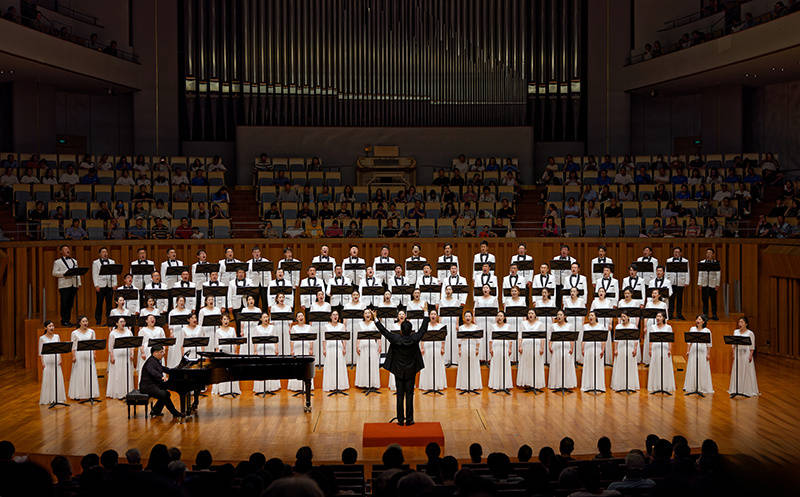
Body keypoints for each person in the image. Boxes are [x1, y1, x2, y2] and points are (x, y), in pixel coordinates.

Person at [373, 309, 430, 425]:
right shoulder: (414, 339)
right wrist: (425, 313)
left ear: (401, 330)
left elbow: (383, 331)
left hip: (398, 371)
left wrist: (376, 319)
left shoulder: (395, 338)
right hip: (411, 371)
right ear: (411, 331)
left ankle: (400, 420)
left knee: (399, 396)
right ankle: (409, 420)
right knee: (409, 396)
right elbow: (423, 329)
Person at [138, 345, 183, 419]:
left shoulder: (155, 360)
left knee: (166, 394)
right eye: (161, 352)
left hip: (154, 384)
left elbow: (163, 368)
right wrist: (161, 377)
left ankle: (155, 411)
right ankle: (174, 412)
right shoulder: (150, 362)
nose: (164, 353)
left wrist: (174, 371)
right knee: (165, 394)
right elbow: (152, 372)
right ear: (155, 353)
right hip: (147, 387)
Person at [68, 316, 99, 400]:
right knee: (79, 373)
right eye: (83, 321)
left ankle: (90, 393)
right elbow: (73, 346)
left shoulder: (92, 331)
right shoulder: (74, 333)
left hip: (89, 354)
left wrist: (94, 353)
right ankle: (78, 394)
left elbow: (94, 344)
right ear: (79, 323)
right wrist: (73, 356)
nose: (85, 323)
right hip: (79, 355)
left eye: (86, 321)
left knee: (90, 372)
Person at [728, 316, 759, 396]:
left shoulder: (750, 333)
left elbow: (752, 346)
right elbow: (733, 344)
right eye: (739, 322)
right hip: (738, 353)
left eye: (742, 322)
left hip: (746, 353)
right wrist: (733, 353)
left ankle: (746, 390)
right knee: (737, 371)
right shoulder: (736, 332)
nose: (740, 324)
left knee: (746, 371)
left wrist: (750, 355)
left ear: (746, 324)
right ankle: (737, 389)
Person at [683, 314, 714, 395]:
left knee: (702, 368)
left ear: (703, 322)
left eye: (700, 319)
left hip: (702, 350)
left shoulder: (707, 331)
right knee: (692, 367)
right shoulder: (692, 329)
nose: (698, 320)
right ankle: (692, 386)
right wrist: (688, 351)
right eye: (697, 319)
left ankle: (702, 387)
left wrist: (708, 354)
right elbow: (689, 342)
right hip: (693, 349)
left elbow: (709, 344)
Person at [52, 245, 81, 327]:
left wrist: (78, 283)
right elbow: (54, 273)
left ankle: (68, 320)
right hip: (64, 285)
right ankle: (64, 320)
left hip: (73, 284)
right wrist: (64, 273)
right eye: (65, 249)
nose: (67, 250)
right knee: (64, 303)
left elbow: (77, 272)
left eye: (68, 249)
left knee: (70, 304)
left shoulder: (74, 261)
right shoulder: (57, 262)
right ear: (61, 252)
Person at [252, 313, 281, 395]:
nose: (266, 318)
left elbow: (275, 339)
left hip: (270, 348)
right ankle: (261, 387)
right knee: (261, 367)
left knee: (270, 367)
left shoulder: (272, 327)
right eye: (264, 317)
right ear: (260, 319)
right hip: (260, 349)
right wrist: (255, 351)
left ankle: (271, 387)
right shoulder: (257, 328)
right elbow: (255, 340)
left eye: (267, 317)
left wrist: (276, 349)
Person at [212, 315, 240, 396]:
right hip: (222, 353)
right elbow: (216, 345)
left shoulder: (232, 329)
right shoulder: (218, 331)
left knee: (232, 371)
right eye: (224, 319)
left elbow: (235, 342)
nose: (226, 321)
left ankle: (232, 389)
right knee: (223, 371)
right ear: (221, 320)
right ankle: (223, 389)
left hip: (231, 352)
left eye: (227, 319)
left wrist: (236, 353)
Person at [419, 310, 447, 392]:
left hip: (438, 348)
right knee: (427, 365)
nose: (433, 315)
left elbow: (443, 338)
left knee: (438, 365)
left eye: (435, 314)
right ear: (429, 316)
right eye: (431, 314)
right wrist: (422, 347)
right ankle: (427, 385)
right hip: (427, 348)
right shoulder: (425, 326)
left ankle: (437, 384)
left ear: (437, 316)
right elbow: (422, 337)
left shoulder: (441, 326)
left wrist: (442, 347)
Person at [610, 313, 640, 392]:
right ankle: (620, 385)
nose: (622, 318)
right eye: (621, 316)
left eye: (624, 316)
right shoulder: (618, 326)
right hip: (621, 348)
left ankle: (629, 384)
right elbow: (615, 340)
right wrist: (615, 349)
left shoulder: (633, 326)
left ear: (628, 317)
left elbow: (636, 339)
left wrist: (635, 349)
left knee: (630, 366)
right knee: (620, 365)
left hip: (630, 348)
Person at [39, 321, 67, 405]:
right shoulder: (42, 338)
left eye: (53, 326)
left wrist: (60, 358)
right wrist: (42, 362)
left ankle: (57, 398)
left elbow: (59, 349)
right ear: (45, 328)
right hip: (47, 360)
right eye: (49, 326)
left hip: (56, 360)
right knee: (48, 379)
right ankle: (48, 398)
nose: (52, 327)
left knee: (57, 378)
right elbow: (41, 352)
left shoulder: (57, 336)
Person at [517, 309, 546, 390]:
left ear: (535, 315)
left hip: (536, 346)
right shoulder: (523, 323)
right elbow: (520, 336)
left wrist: (542, 347)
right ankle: (527, 383)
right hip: (525, 346)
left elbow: (542, 337)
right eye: (529, 313)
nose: (530, 314)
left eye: (532, 313)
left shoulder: (540, 324)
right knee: (526, 364)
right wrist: (520, 346)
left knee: (536, 364)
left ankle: (535, 383)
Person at [548, 310, 577, 391]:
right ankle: (557, 384)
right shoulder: (553, 326)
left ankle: (566, 384)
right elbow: (550, 338)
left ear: (565, 316)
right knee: (556, 365)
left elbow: (572, 339)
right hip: (556, 347)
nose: (559, 316)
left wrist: (572, 348)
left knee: (566, 365)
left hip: (566, 347)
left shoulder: (569, 326)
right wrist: (550, 346)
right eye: (557, 315)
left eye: (561, 314)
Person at [106, 317, 134, 399]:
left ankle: (127, 392)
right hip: (117, 355)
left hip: (127, 355)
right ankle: (118, 393)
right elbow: (110, 347)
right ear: (117, 323)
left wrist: (132, 353)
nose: (123, 323)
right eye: (121, 321)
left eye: (124, 321)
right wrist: (112, 356)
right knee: (118, 373)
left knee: (127, 373)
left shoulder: (129, 332)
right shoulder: (112, 333)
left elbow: (132, 344)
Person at [647, 312, 675, 393]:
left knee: (665, 366)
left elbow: (670, 340)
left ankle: (665, 385)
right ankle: (656, 386)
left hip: (665, 348)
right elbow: (651, 339)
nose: (658, 318)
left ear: (663, 318)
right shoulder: (652, 327)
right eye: (657, 316)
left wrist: (670, 349)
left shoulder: (668, 327)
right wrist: (650, 349)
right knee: (656, 366)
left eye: (659, 316)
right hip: (655, 348)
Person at [322, 311, 349, 392]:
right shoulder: (326, 326)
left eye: (337, 315)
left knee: (339, 365)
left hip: (339, 347)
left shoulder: (342, 326)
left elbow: (344, 339)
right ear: (330, 317)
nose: (335, 316)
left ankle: (340, 385)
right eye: (333, 315)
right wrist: (324, 349)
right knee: (330, 365)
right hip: (329, 347)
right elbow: (324, 339)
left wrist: (344, 348)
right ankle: (330, 385)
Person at [354, 309, 381, 390]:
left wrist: (379, 345)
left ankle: (373, 383)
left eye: (369, 313)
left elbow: (378, 336)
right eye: (365, 313)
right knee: (364, 363)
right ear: (363, 315)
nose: (367, 314)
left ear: (371, 315)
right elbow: (358, 336)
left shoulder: (374, 323)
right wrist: (357, 346)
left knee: (372, 363)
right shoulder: (360, 324)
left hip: (372, 345)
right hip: (363, 345)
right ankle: (363, 383)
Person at [487, 311, 514, 392]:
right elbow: (490, 339)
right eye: (498, 316)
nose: (499, 317)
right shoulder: (493, 326)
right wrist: (490, 348)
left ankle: (505, 385)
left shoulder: (508, 326)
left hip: (505, 347)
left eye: (501, 316)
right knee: (496, 365)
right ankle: (496, 384)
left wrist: (510, 348)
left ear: (504, 317)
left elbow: (510, 339)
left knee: (505, 365)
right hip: (495, 347)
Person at [288, 312, 314, 392]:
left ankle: (307, 385)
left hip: (306, 348)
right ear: (296, 318)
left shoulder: (309, 327)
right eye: (299, 316)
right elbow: (291, 340)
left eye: (302, 315)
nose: (300, 317)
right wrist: (292, 350)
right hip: (297, 348)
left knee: (307, 366)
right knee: (297, 366)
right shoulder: (294, 328)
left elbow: (311, 340)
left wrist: (311, 349)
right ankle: (297, 386)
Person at [580, 312, 607, 393]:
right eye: (589, 316)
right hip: (588, 348)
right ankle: (587, 385)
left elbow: (603, 339)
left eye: (592, 315)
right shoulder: (585, 327)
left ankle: (598, 385)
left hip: (598, 348)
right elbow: (583, 339)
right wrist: (582, 349)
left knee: (598, 366)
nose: (590, 317)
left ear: (596, 317)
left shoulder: (601, 326)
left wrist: (603, 349)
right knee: (588, 366)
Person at [137, 314, 165, 387]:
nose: (152, 319)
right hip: (147, 351)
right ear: (146, 321)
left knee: (158, 367)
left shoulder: (160, 329)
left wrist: (163, 350)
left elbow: (163, 340)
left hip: (159, 351)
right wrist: (142, 353)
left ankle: (160, 385)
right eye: (150, 318)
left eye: (153, 318)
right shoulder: (142, 330)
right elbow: (140, 343)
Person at [91, 247, 117, 326]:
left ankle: (108, 321)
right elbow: (94, 274)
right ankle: (98, 321)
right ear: (100, 254)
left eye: (106, 252)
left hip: (109, 285)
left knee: (109, 304)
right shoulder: (95, 263)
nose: (105, 253)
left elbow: (114, 274)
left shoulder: (112, 262)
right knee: (99, 304)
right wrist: (96, 285)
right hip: (101, 286)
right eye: (103, 252)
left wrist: (114, 283)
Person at [698, 248, 721, 320]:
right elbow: (700, 273)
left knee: (713, 300)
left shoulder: (716, 263)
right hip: (704, 284)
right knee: (705, 300)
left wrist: (717, 284)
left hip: (713, 284)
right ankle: (705, 315)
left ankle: (714, 315)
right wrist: (699, 283)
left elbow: (718, 274)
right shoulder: (702, 262)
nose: (708, 254)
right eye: (707, 253)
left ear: (713, 254)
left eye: (710, 253)